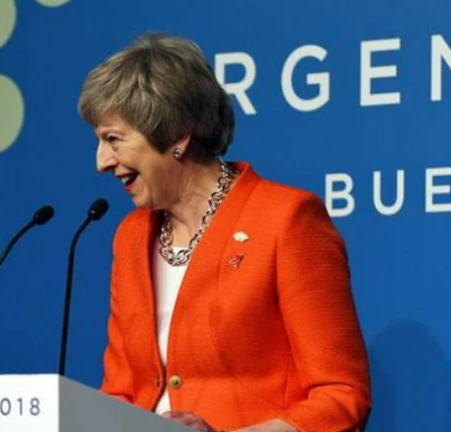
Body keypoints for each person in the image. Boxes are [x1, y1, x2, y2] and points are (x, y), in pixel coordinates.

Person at [78, 33, 372, 432]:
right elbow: (121, 392)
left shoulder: (286, 220)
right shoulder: (131, 236)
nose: (101, 162)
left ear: (177, 135)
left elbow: (342, 397)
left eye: (113, 139)